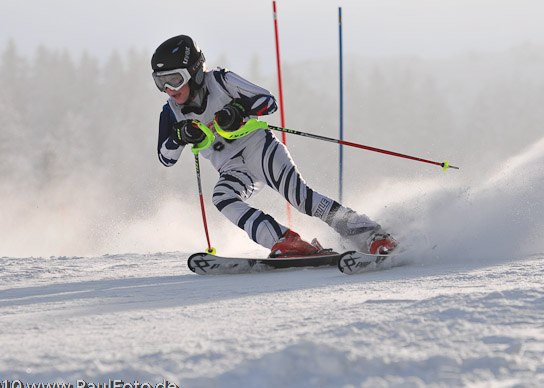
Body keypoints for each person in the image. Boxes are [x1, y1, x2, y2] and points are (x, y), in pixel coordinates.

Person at [152, 35, 397, 257]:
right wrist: (179, 136)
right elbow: (166, 159)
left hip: (260, 149)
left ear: (194, 71)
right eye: (161, 82)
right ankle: (285, 240)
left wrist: (238, 109)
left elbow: (268, 102)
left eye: (175, 79)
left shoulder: (221, 81)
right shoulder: (171, 111)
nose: (169, 89)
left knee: (301, 198)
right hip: (232, 167)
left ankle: (373, 235)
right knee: (222, 198)